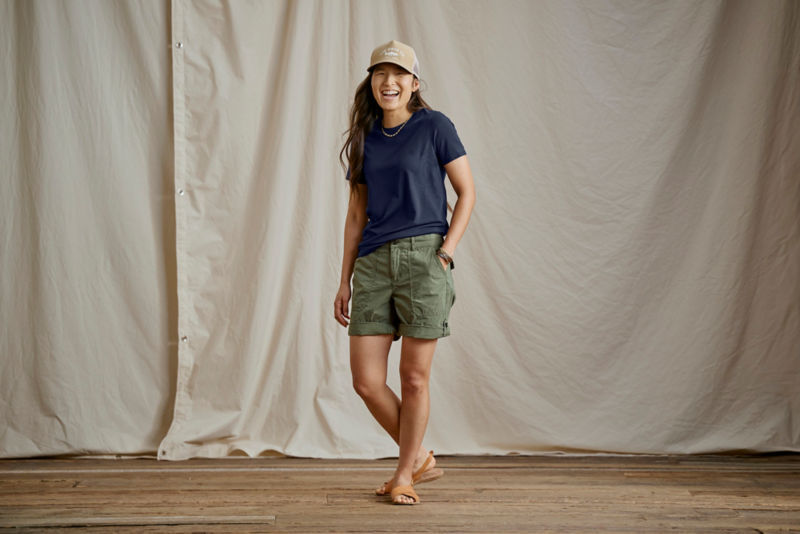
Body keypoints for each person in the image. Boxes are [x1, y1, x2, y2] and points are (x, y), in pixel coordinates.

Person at [333, 39, 476, 505]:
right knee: (366, 381)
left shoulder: (435, 126)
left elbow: (467, 192)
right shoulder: (364, 138)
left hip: (423, 258)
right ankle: (421, 460)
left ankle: (404, 476)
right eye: (380, 73)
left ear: (414, 84)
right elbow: (356, 213)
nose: (388, 82)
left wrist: (447, 251)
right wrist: (343, 279)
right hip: (373, 263)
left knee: (414, 378)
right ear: (371, 82)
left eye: (399, 75)